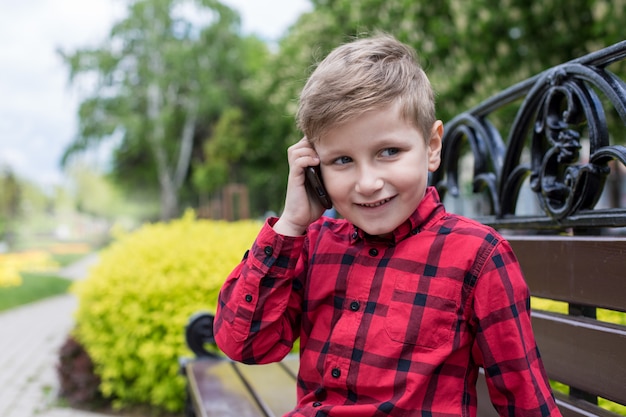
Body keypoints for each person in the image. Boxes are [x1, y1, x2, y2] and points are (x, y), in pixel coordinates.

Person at [214, 33, 562, 417]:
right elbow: (244, 343)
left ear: (431, 147)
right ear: (314, 168)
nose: (367, 183)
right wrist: (292, 224)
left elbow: (524, 396)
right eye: (342, 160)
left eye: (389, 152)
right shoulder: (314, 244)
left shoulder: (477, 257)